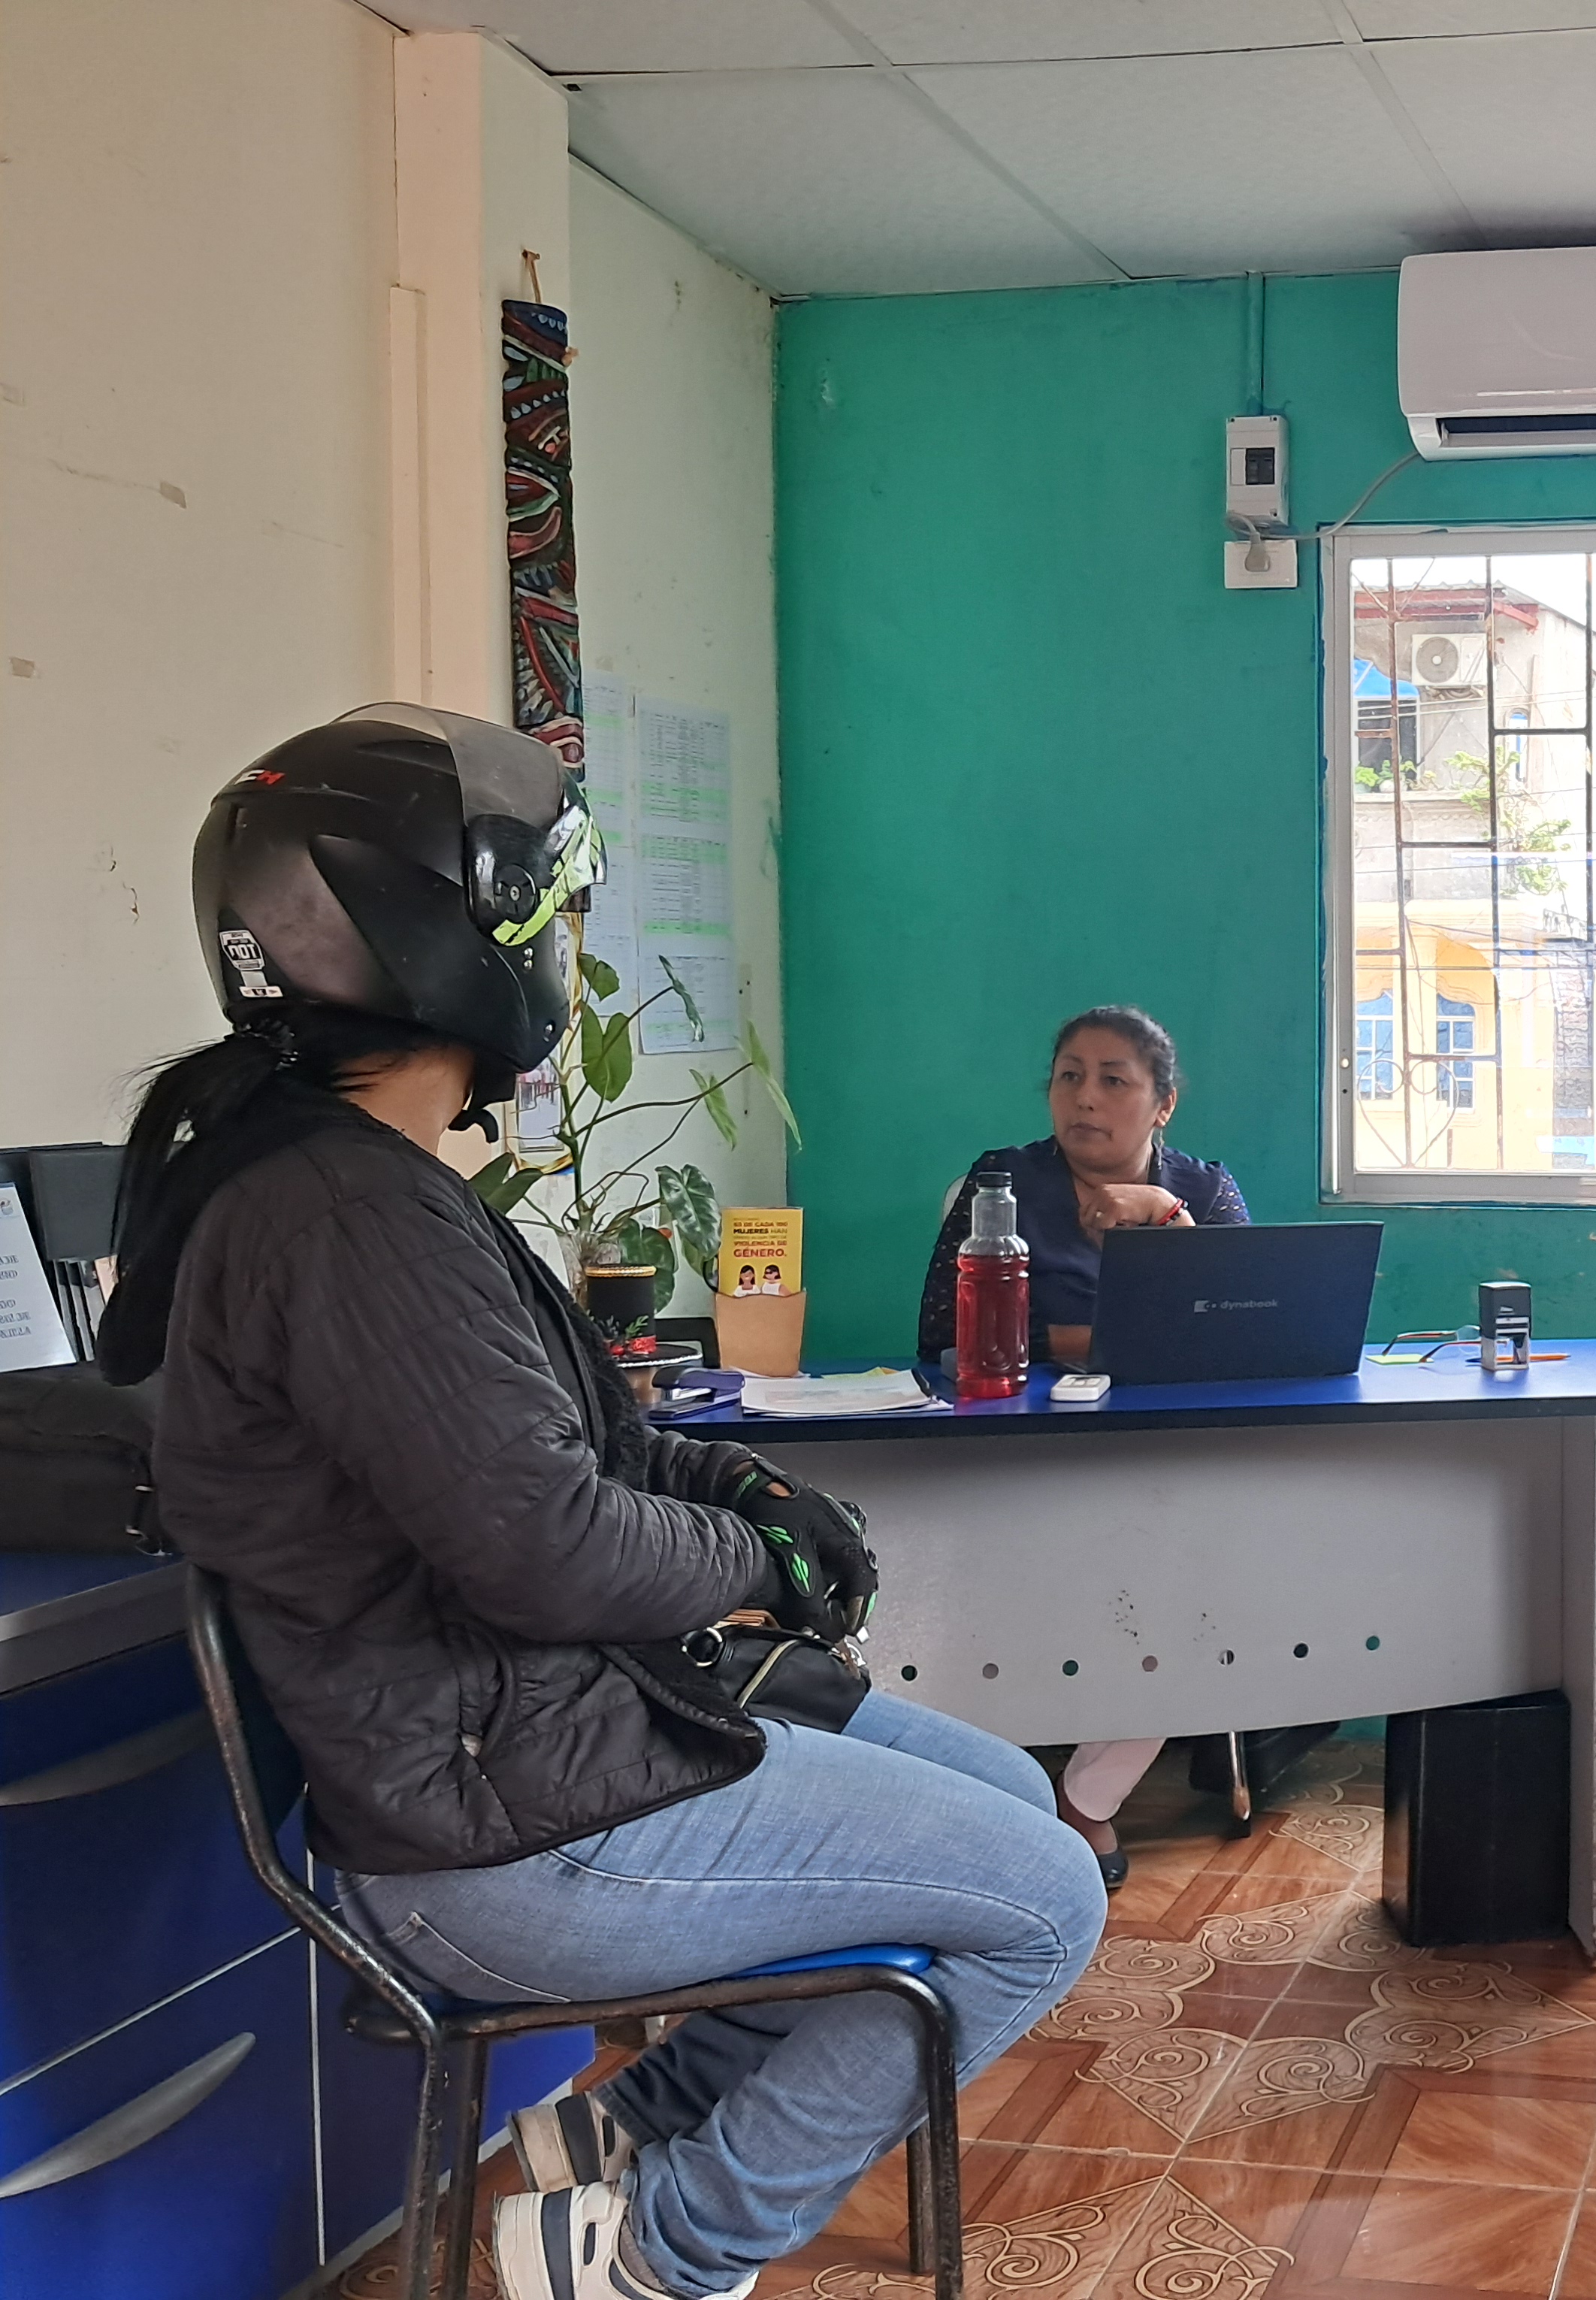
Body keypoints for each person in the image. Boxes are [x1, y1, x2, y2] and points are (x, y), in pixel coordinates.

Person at [110, 707, 1105, 2300]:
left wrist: (749, 1492)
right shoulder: (346, 1219)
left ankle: (622, 2133)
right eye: (556, 919)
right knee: (1044, 1901)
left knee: (1003, 1794)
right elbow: (552, 1547)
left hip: (523, 1757)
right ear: (464, 939)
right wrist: (756, 1559)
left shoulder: (355, 1179)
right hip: (501, 1840)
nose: (568, 954)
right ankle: (655, 2253)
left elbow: (585, 1446)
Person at [916, 1006, 1325, 1887]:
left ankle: (1085, 1800)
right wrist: (1111, 1338)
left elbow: (1247, 1328)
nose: (1085, 1098)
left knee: (1214, 1582)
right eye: (1069, 1076)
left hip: (1174, 1455)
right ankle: (998, 1793)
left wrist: (1166, 1222)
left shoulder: (1203, 1192)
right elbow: (945, 1335)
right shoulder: (1002, 1183)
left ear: (1162, 1103)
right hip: (1028, 1454)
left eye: (1113, 1080)